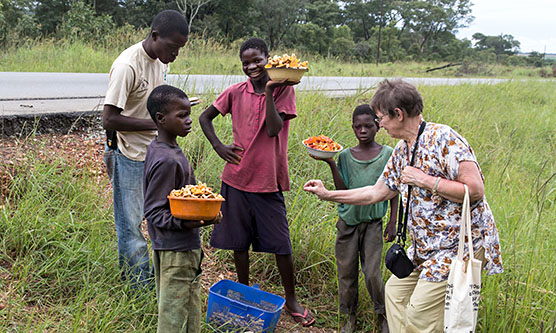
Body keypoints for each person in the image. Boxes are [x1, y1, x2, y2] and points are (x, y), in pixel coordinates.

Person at [303, 79, 503, 332]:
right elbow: (375, 193)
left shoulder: (444, 139)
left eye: (380, 118)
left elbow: (474, 190)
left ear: (398, 114)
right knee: (395, 292)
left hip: (456, 247)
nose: (379, 124)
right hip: (426, 249)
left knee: (420, 314)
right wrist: (327, 194)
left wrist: (425, 180)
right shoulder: (403, 149)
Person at [199, 37, 315, 327]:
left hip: (268, 180)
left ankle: (291, 300)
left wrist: (270, 90)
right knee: (239, 243)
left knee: (281, 244)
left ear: (268, 60)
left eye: (257, 60)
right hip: (237, 178)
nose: (251, 66)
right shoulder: (235, 92)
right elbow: (205, 117)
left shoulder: (283, 90)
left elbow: (274, 129)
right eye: (245, 62)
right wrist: (218, 147)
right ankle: (244, 290)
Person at [102, 10, 188, 288]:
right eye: (172, 48)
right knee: (131, 225)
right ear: (154, 36)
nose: (175, 54)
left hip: (152, 153)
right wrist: (155, 124)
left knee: (154, 218)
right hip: (127, 155)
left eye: (179, 49)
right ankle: (137, 289)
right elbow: (109, 119)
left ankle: (151, 278)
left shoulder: (161, 62)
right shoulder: (128, 65)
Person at [310, 104, 397, 333]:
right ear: (353, 128)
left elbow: (394, 190)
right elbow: (342, 191)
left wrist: (393, 221)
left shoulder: (388, 154)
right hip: (347, 224)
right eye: (358, 127)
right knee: (346, 273)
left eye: (368, 126)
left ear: (378, 126)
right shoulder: (346, 156)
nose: (363, 130)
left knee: (373, 274)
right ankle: (348, 317)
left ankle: (383, 315)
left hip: (373, 224)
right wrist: (331, 162)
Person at [143, 85, 221, 333]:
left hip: (174, 247)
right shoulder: (167, 160)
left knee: (186, 308)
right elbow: (154, 211)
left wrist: (205, 210)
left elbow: (182, 198)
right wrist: (187, 223)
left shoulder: (163, 149)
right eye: (182, 116)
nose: (189, 121)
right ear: (160, 119)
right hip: (177, 250)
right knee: (175, 317)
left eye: (189, 114)